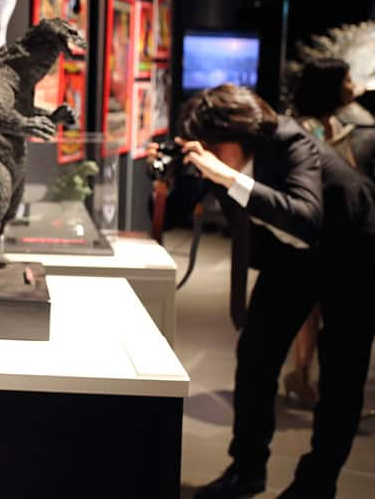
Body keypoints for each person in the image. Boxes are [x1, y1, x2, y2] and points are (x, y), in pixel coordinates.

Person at [148, 83, 375, 498]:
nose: (210, 157)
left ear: (241, 137)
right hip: (291, 259)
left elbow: (305, 216)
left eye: (215, 148)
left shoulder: (288, 142)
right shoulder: (225, 157)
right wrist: (171, 173)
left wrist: (228, 176)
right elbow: (190, 201)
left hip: (352, 249)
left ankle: (315, 484)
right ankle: (246, 469)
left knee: (342, 372)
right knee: (255, 357)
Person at [285, 58, 375, 408]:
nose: (353, 86)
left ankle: (304, 375)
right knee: (310, 307)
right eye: (347, 79)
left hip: (337, 231)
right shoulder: (310, 129)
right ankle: (301, 373)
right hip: (318, 230)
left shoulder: (334, 123)